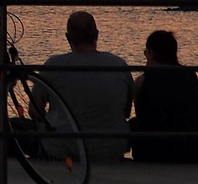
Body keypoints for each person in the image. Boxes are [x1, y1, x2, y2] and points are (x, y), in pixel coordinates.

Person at [38, 11, 133, 161]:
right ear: (97, 35)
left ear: (68, 38)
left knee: (10, 131)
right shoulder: (118, 64)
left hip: (64, 150)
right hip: (111, 150)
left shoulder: (53, 65)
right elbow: (126, 112)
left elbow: (34, 110)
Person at [129, 30, 198, 162]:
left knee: (132, 124)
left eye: (146, 53)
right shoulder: (191, 76)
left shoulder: (142, 80)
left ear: (151, 53)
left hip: (151, 150)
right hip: (191, 146)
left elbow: (141, 114)